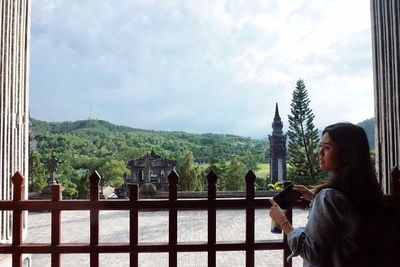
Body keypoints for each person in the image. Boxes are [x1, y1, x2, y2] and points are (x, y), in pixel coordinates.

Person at [269, 122, 394, 266]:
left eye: (327, 147)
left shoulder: (328, 197)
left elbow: (310, 252)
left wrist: (282, 221)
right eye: (320, 146)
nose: (320, 152)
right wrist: (314, 198)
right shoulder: (368, 192)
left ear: (347, 154)